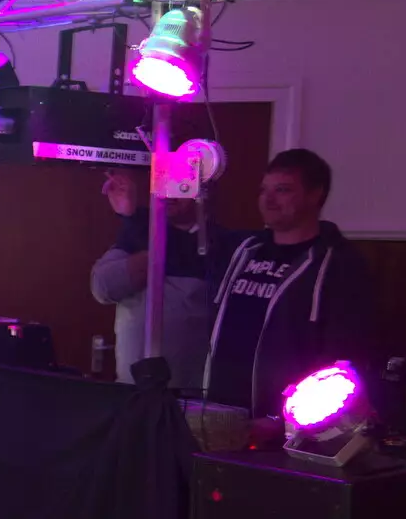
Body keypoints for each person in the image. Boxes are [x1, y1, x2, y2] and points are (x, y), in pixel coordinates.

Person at [204, 149, 378, 431]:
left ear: (315, 195)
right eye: (264, 190)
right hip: (223, 417)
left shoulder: (339, 262)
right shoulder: (243, 251)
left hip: (292, 427)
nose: (268, 200)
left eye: (282, 190)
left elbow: (346, 355)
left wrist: (285, 423)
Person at [89, 169, 219, 390]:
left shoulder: (219, 244)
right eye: (166, 184)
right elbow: (102, 287)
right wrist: (142, 245)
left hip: (189, 398)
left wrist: (131, 219)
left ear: (202, 190)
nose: (170, 193)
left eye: (181, 185)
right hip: (131, 392)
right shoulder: (138, 233)